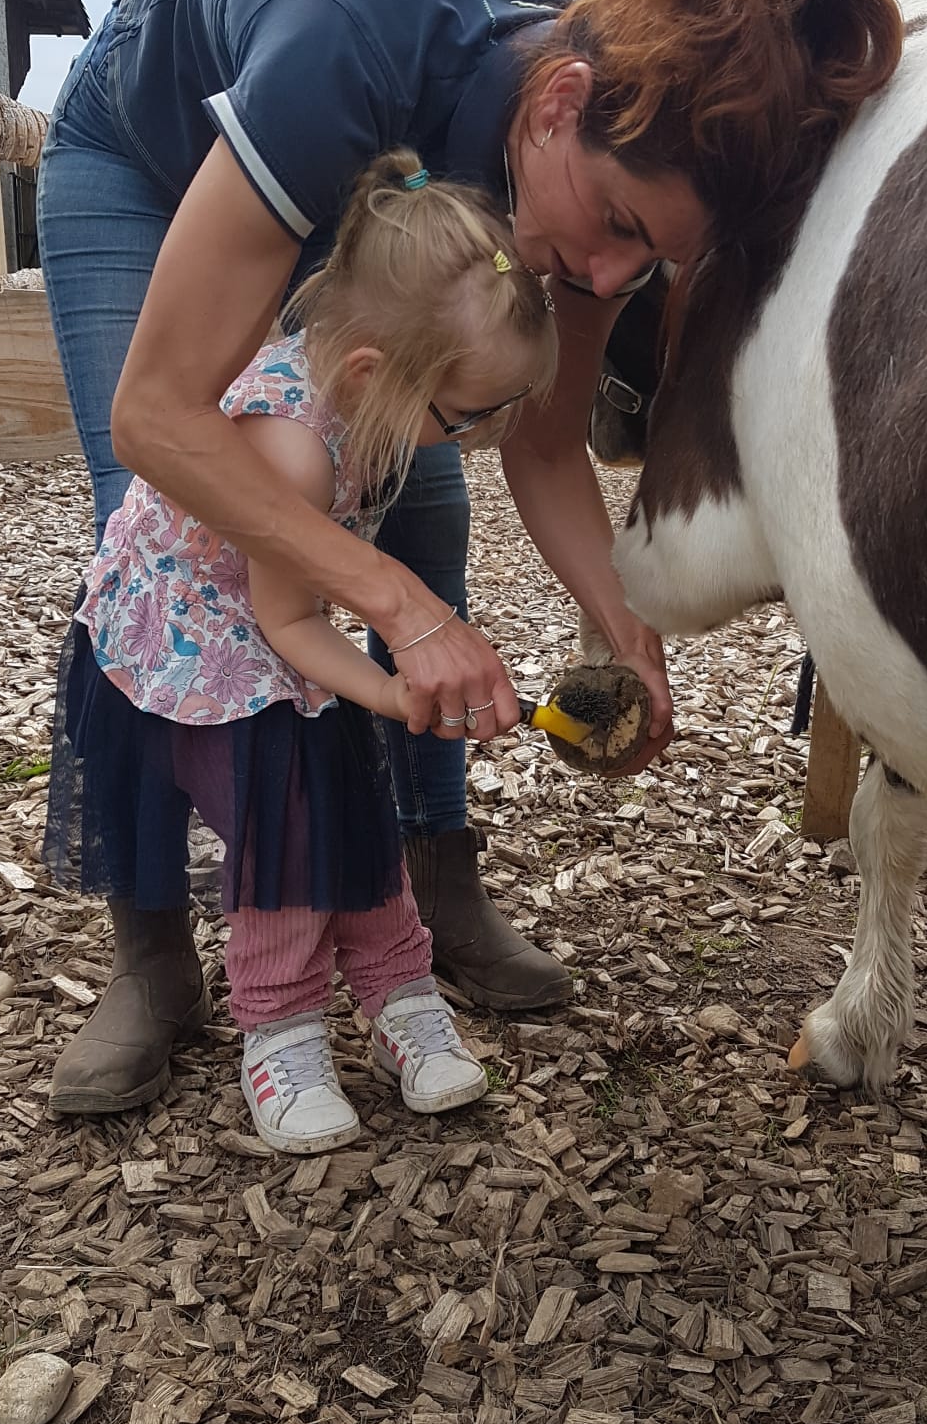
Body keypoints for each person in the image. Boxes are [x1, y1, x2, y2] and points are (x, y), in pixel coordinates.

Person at [37, 0, 904, 1116]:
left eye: (649, 256)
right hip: (150, 146)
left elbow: (542, 449)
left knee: (424, 505)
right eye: (614, 223)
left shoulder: (590, 206)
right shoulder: (343, 54)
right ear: (558, 104)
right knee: (175, 534)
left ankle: (432, 883)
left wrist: (625, 630)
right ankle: (154, 956)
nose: (604, 274)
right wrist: (399, 608)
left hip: (372, 203)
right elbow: (160, 419)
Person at [44, 151, 559, 1150]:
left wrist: (384, 690)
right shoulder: (295, 448)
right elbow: (286, 624)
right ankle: (277, 1029)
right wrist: (390, 693)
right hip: (197, 658)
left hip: (275, 644)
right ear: (371, 372)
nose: (480, 435)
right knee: (287, 837)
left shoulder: (358, 401)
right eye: (467, 415)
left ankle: (401, 993)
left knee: (354, 816)